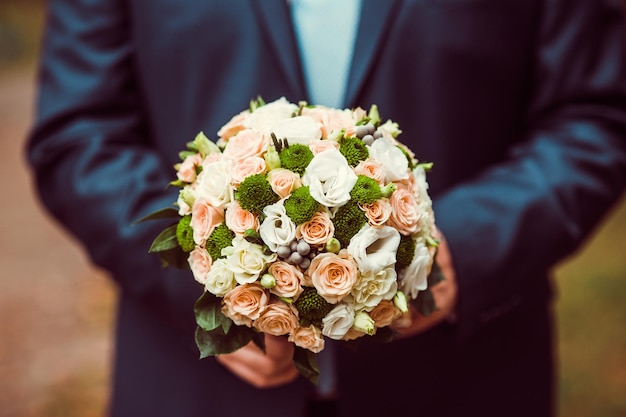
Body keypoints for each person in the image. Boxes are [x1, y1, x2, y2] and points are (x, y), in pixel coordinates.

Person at [26, 0, 626, 416]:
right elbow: (79, 134)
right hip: (196, 390)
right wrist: (217, 280)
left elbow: (595, 119)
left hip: (460, 382)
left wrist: (467, 248)